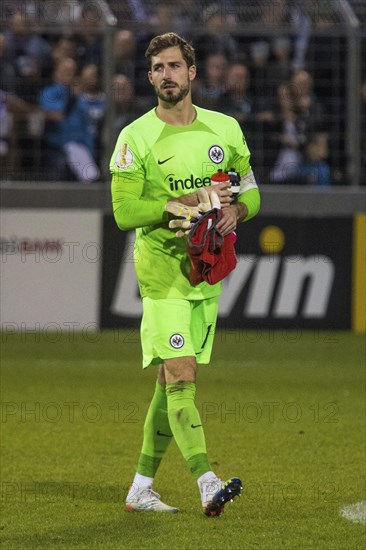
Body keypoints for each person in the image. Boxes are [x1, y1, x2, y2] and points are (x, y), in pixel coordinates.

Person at [110, 32, 260, 516]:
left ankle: (140, 487)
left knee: (167, 383)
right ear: (150, 76)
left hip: (205, 273)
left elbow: (251, 192)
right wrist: (171, 204)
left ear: (192, 73)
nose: (168, 75)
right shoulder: (135, 137)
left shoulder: (225, 129)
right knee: (182, 373)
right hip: (161, 275)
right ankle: (206, 480)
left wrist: (238, 213)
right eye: (159, 68)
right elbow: (124, 212)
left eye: (175, 66)